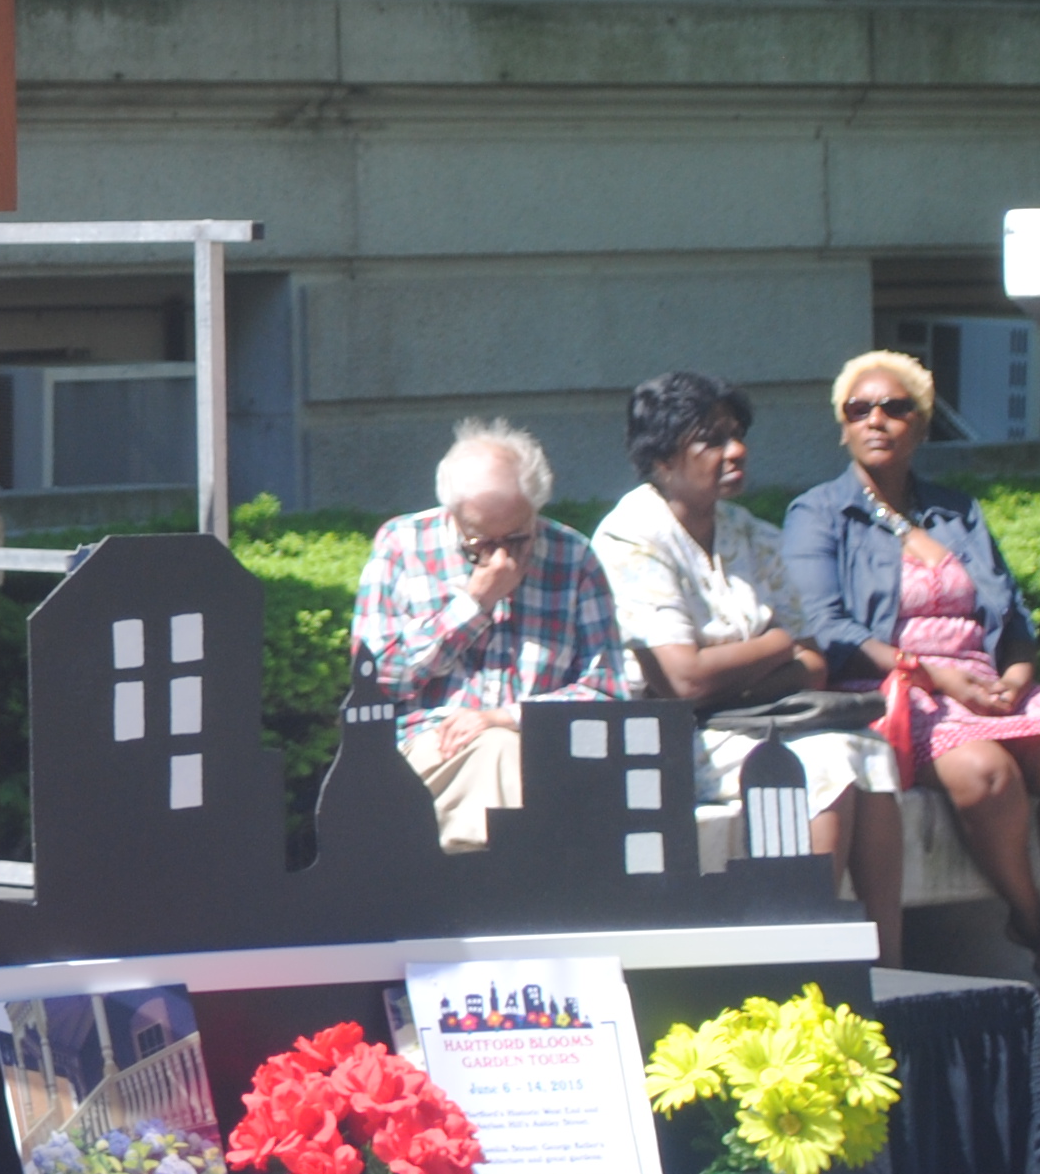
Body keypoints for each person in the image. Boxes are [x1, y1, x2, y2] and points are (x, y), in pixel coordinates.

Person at [785, 348, 1040, 987]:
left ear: (920, 426)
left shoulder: (958, 511)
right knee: (986, 774)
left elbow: (1012, 613)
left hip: (984, 680)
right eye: (858, 409)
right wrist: (933, 674)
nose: (876, 420)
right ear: (841, 425)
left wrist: (1017, 676)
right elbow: (831, 626)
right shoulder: (817, 514)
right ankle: (1035, 926)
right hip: (894, 687)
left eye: (895, 409)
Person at [592, 372, 903, 963]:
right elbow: (682, 681)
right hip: (675, 742)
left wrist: (741, 663)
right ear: (661, 458)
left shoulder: (750, 534)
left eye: (737, 434)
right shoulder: (631, 539)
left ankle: (889, 968)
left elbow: (812, 666)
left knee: (872, 754)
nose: (736, 451)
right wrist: (775, 644)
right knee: (827, 762)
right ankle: (807, 972)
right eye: (712, 439)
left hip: (759, 719)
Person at [348, 419, 634, 849]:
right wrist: (473, 603)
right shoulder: (401, 545)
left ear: (535, 509)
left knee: (503, 750)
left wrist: (507, 717)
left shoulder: (573, 557)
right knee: (497, 760)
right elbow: (378, 678)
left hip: (543, 749)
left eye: (517, 538)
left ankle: (481, 892)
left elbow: (608, 691)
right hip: (427, 747)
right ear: (452, 513)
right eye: (478, 543)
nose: (499, 556)